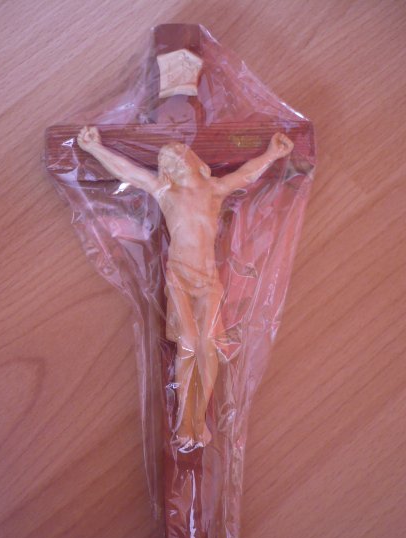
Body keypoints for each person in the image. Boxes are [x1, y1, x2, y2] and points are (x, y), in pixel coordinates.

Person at [77, 126, 293, 448]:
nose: (172, 160)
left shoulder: (214, 189)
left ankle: (198, 419)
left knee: (208, 346)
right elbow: (130, 173)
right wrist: (95, 149)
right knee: (188, 342)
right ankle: (183, 420)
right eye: (167, 160)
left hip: (208, 280)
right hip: (180, 276)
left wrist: (273, 154)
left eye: (177, 154)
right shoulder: (167, 191)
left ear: (195, 161)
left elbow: (246, 175)